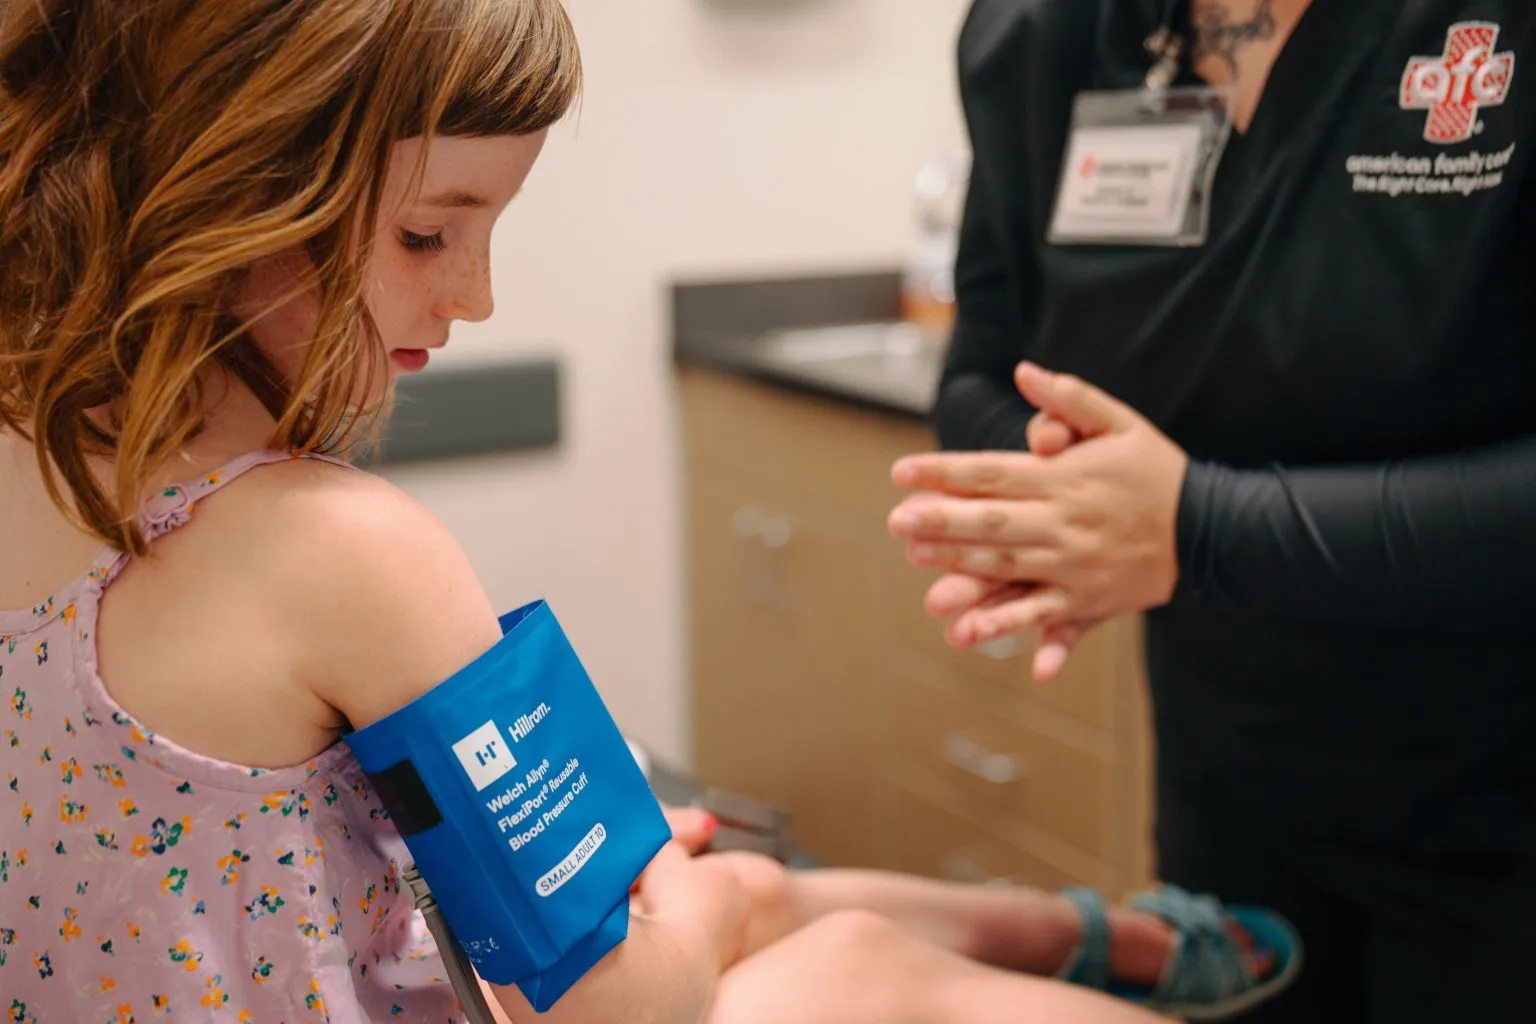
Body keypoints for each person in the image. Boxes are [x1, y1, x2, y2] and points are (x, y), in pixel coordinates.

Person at [0, 1, 1296, 1021]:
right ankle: (1106, 942)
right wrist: (634, 852)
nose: (477, 300)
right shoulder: (342, 549)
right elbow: (622, 1011)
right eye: (428, 237)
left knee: (753, 896)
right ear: (225, 192)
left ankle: (1088, 932)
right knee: (830, 952)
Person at [886, 0, 1536, 1021]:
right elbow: (983, 373)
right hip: (1232, 794)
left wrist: (1196, 528)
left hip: (1502, 810)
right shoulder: (1047, 33)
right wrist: (1080, 503)